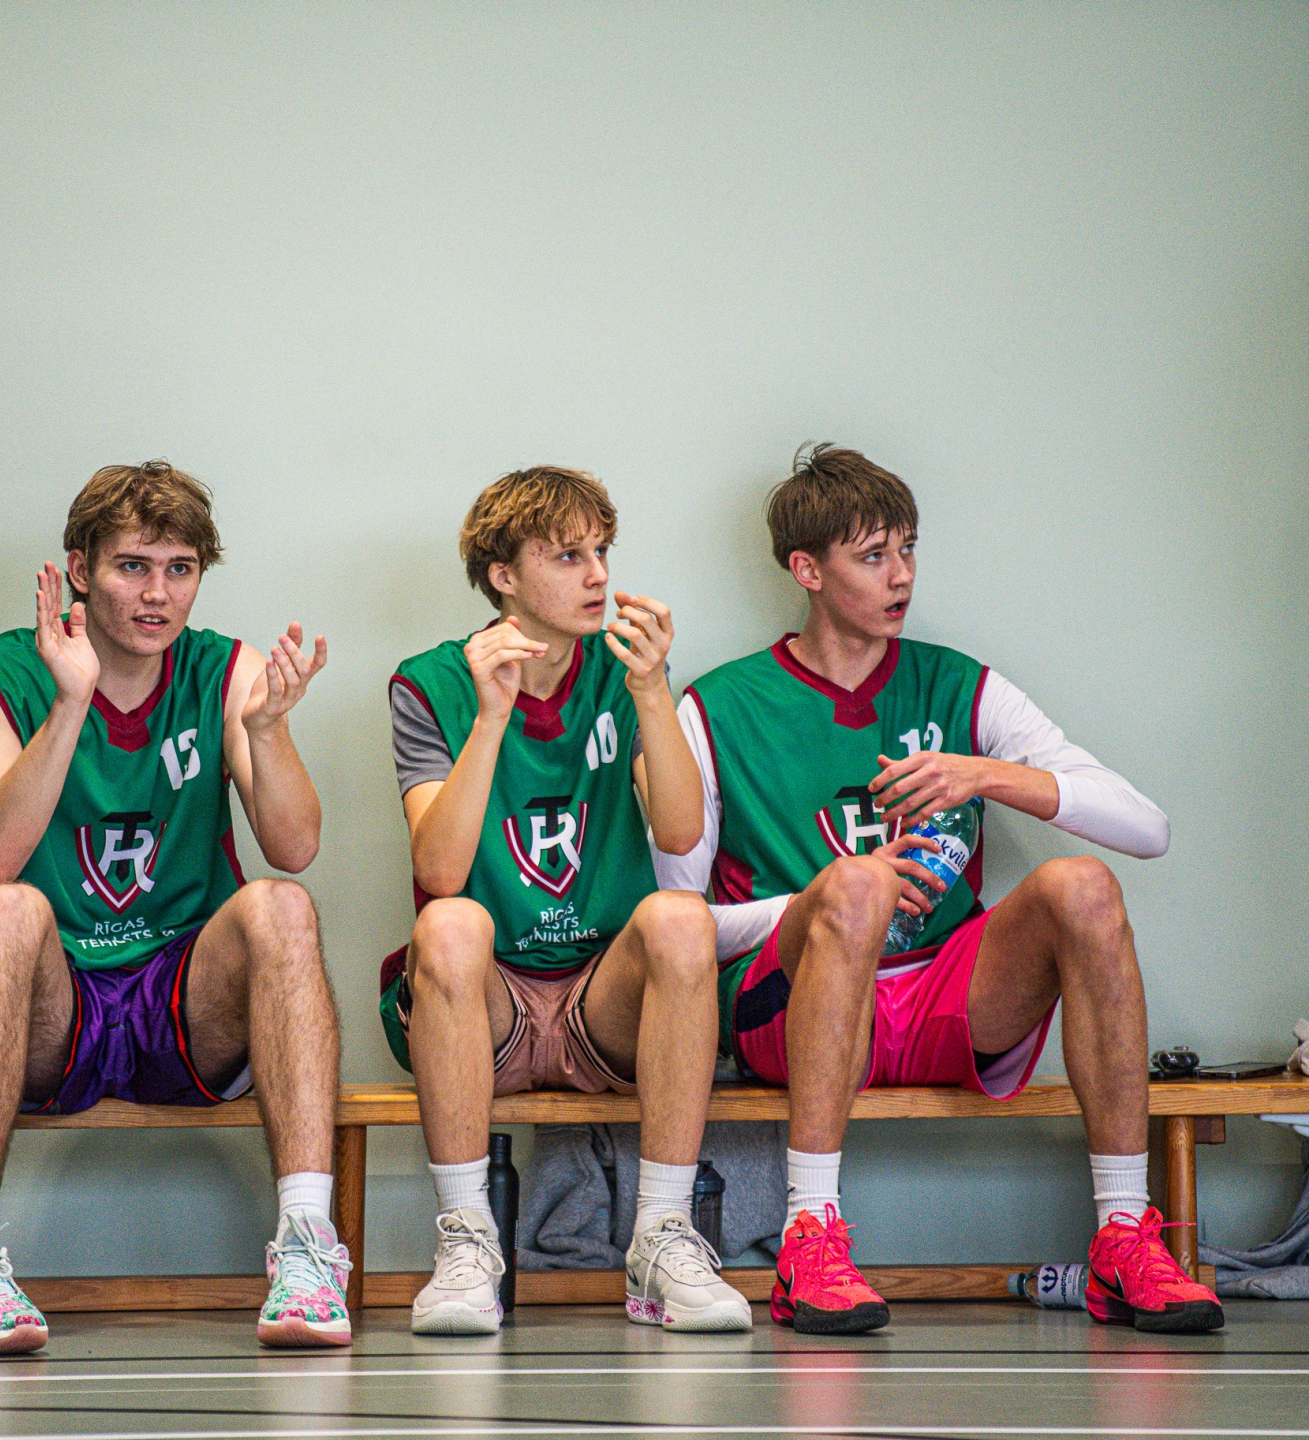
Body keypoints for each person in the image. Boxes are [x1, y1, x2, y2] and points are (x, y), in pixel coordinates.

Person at [654, 442, 1219, 1336]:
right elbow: (681, 931)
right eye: (874, 556)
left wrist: (986, 773)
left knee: (1083, 885)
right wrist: (827, 900)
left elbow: (1149, 829)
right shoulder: (718, 706)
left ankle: (1121, 1234)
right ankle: (810, 1235)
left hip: (942, 999)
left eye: (909, 549)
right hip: (792, 1009)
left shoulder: (958, 683)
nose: (902, 575)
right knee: (853, 886)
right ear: (808, 570)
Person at [0, 460, 346, 1353]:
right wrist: (69, 702)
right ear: (81, 570)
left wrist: (267, 730)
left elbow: (296, 845)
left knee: (283, 906)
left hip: (178, 999)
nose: (158, 594)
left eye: (179, 569)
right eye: (133, 567)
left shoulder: (223, 670)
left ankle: (310, 1248)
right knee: (5, 908)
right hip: (53, 1001)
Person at [384, 466, 748, 1337]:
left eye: (602, 552)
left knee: (680, 918)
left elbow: (679, 833)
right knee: (450, 923)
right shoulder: (430, 681)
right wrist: (490, 719)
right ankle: (467, 1244)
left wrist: (652, 691)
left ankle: (662, 1236)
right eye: (568, 556)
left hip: (599, 1000)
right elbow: (440, 869)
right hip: (488, 1002)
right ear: (503, 576)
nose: (599, 576)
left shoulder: (624, 672)